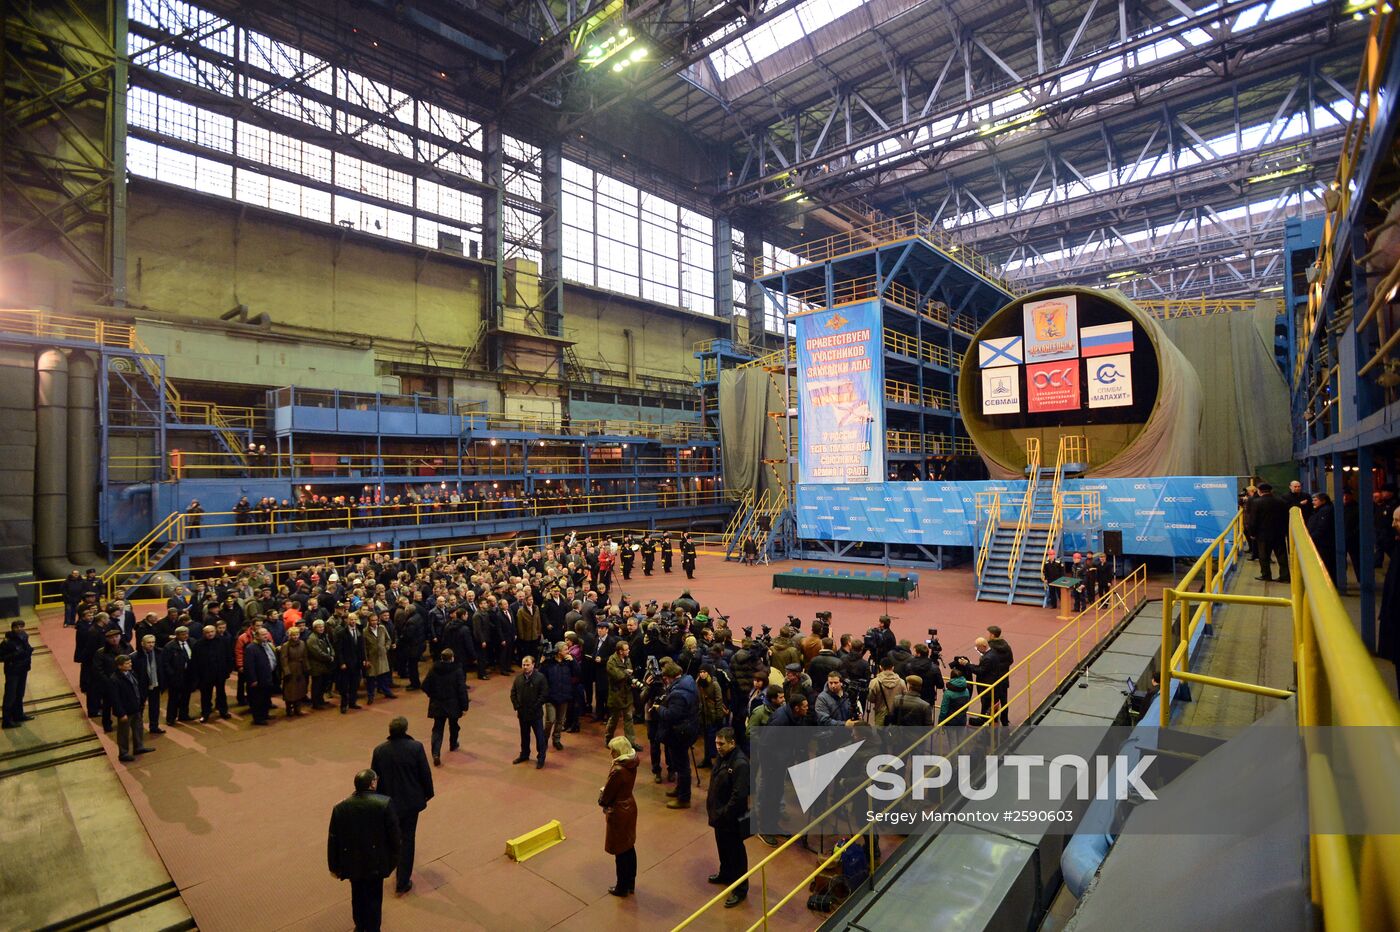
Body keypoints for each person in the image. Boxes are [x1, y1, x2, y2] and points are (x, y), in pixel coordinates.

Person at [327, 769, 401, 932]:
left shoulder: (340, 807)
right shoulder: (384, 803)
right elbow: (395, 837)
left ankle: (360, 925)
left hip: (352, 862)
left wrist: (334, 866)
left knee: (357, 894)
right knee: (375, 897)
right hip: (376, 861)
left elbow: (333, 839)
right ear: (372, 783)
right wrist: (392, 862)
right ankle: (373, 928)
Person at [370, 717, 434, 896]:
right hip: (411, 802)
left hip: (389, 804)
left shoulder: (379, 751)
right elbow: (425, 774)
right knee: (408, 839)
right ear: (406, 729)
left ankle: (389, 867)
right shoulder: (416, 747)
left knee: (392, 837)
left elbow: (375, 779)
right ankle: (403, 880)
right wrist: (428, 794)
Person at [705, 727, 750, 909]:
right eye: (716, 743)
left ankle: (740, 889)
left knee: (736, 854)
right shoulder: (723, 758)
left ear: (732, 743)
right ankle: (725, 874)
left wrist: (723, 813)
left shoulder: (740, 764)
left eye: (721, 743)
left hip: (731, 820)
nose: (718, 747)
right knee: (723, 848)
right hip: (719, 816)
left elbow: (738, 796)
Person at [599, 736, 639, 897]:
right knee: (629, 847)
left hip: (619, 810)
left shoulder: (618, 770)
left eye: (613, 751)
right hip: (630, 806)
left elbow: (608, 793)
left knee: (620, 851)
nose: (611, 754)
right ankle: (630, 883)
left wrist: (602, 800)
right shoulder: (632, 763)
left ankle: (621, 887)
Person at [656, 661, 699, 808]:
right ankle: (680, 789)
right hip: (688, 728)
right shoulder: (689, 681)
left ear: (670, 677)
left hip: (679, 733)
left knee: (682, 766)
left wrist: (659, 709)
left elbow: (671, 715)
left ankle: (684, 798)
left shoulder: (678, 694)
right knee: (681, 764)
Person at [422, 648, 469, 764]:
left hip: (438, 704)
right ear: (452, 658)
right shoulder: (457, 670)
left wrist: (432, 695)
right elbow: (461, 689)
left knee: (437, 729)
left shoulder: (434, 669)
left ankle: (436, 753)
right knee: (454, 726)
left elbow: (424, 686)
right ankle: (453, 744)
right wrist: (464, 706)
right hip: (453, 704)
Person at [111, 654, 152, 761]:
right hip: (126, 711)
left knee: (138, 728)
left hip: (136, 707)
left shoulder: (131, 673)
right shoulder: (115, 679)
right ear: (120, 666)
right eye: (127, 663)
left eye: (130, 662)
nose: (130, 664)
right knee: (123, 733)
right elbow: (115, 699)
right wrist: (121, 713)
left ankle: (138, 747)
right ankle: (123, 753)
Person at [511, 655, 549, 768]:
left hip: (535, 714)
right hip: (522, 713)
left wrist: (535, 706)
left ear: (533, 665)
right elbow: (513, 693)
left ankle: (541, 757)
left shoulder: (540, 678)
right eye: (524, 665)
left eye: (528, 665)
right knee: (524, 735)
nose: (525, 667)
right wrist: (517, 706)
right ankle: (524, 754)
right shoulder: (518, 679)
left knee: (539, 736)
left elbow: (544, 694)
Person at [1248, 482, 1291, 582]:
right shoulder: (1281, 501)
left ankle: (1266, 575)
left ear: (1259, 491)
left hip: (1263, 535)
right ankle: (1285, 576)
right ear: (1271, 491)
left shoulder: (1256, 502)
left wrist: (1252, 533)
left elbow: (1253, 520)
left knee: (1263, 556)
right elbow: (1286, 518)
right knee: (1282, 556)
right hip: (1279, 533)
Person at [191, 623, 231, 722]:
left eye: (212, 631)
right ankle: (205, 713)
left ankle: (223, 711)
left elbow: (228, 656)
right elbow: (195, 661)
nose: (210, 634)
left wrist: (228, 670)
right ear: (204, 633)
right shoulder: (198, 644)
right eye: (207, 632)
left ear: (215, 631)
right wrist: (197, 676)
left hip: (220, 673)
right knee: (205, 695)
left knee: (221, 693)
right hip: (205, 675)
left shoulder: (223, 641)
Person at [605, 639, 640, 750]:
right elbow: (617, 675)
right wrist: (627, 673)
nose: (628, 651)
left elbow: (629, 675)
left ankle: (631, 743)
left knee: (629, 719)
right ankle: (608, 739)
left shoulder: (627, 659)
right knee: (614, 720)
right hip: (616, 695)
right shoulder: (611, 661)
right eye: (626, 649)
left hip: (627, 694)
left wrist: (632, 681)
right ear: (620, 651)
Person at [540, 641, 575, 751]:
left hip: (564, 695)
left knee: (560, 720)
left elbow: (578, 673)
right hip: (551, 696)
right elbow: (540, 676)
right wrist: (541, 663)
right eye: (565, 650)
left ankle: (556, 739)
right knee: (550, 720)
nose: (568, 651)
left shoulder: (568, 662)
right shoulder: (549, 663)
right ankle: (544, 739)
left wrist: (573, 662)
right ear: (559, 652)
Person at [1, 620, 35, 728]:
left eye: (21, 626)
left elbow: (26, 650)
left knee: (20, 693)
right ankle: (6, 720)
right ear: (12, 628)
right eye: (17, 627)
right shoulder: (7, 642)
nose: (20, 629)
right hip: (12, 671)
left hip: (23, 669)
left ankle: (18, 714)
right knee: (10, 696)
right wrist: (14, 655)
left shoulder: (24, 637)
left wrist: (28, 651)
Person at [159, 625, 194, 725]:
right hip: (176, 677)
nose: (185, 636)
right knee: (174, 698)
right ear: (177, 635)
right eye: (183, 634)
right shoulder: (169, 647)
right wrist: (172, 674)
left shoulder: (191, 642)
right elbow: (165, 663)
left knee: (186, 696)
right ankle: (171, 718)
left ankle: (183, 715)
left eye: (186, 634)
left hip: (188, 675)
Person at [245, 628, 278, 725]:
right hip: (258, 678)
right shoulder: (251, 648)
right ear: (256, 636)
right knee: (258, 699)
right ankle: (258, 718)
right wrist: (253, 679)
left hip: (268, 675)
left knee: (266, 697)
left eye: (266, 634)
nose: (265, 636)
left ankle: (265, 714)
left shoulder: (267, 645)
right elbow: (249, 666)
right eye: (263, 635)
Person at [334, 614, 365, 713]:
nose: (353, 621)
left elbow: (362, 647)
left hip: (357, 663)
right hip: (346, 664)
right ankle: (344, 705)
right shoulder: (342, 633)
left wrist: (364, 659)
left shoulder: (359, 631)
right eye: (351, 620)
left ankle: (352, 702)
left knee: (355, 684)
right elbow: (339, 650)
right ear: (347, 620)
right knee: (345, 686)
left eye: (355, 619)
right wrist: (341, 662)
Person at [1307, 492, 1338, 583]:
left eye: (1316, 500)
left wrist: (1311, 538)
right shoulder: (1321, 510)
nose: (1313, 502)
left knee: (1326, 564)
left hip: (1323, 543)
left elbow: (1322, 528)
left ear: (1323, 501)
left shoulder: (1325, 511)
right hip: (1321, 542)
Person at [280, 626, 311, 716]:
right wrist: (286, 671)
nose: (295, 637)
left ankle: (298, 709)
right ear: (290, 636)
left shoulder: (302, 643)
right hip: (291, 669)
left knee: (300, 690)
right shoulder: (285, 646)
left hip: (300, 669)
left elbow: (305, 657)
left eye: (297, 634)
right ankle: (289, 709)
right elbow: (283, 659)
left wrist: (307, 668)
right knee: (289, 691)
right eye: (293, 635)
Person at [939, 661, 972, 726]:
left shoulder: (948, 693)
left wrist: (940, 722)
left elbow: (943, 710)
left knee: (952, 736)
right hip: (963, 719)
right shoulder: (966, 690)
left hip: (951, 720)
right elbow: (966, 706)